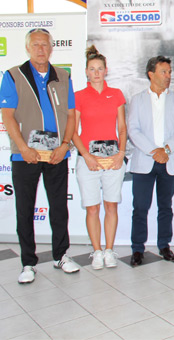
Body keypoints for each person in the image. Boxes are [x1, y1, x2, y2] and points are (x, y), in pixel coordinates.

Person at [0, 28, 80, 283]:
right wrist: (23, 147)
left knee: (59, 207)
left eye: (45, 45)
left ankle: (60, 256)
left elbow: (71, 115)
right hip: (26, 155)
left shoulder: (63, 76)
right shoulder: (13, 76)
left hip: (57, 153)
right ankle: (28, 263)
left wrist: (65, 145)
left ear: (51, 48)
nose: (40, 49)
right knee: (24, 209)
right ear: (27, 48)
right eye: (35, 45)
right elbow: (7, 115)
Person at [72, 45, 127, 269]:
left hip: (113, 159)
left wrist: (121, 154)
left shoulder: (116, 94)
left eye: (100, 68)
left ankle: (109, 251)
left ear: (106, 71)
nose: (96, 72)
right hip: (88, 160)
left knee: (111, 206)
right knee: (93, 208)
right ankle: (96, 251)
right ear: (86, 71)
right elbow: (73, 132)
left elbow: (122, 128)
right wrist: (86, 156)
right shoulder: (78, 96)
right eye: (92, 69)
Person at [128, 56, 174, 266]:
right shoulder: (137, 99)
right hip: (145, 160)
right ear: (151, 74)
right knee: (140, 207)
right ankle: (137, 249)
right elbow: (133, 130)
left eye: (169, 72)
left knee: (165, 207)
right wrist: (154, 151)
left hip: (168, 159)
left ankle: (164, 245)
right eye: (164, 72)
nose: (168, 76)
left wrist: (166, 149)